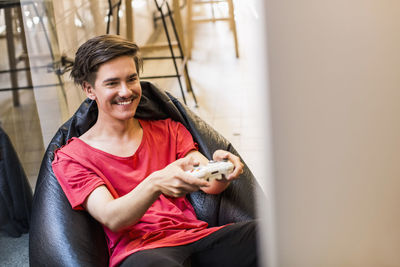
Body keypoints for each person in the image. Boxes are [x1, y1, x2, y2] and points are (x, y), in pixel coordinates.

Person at [52, 34, 258, 267]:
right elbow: (112, 216)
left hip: (196, 238)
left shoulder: (169, 130)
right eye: (112, 83)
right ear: (89, 89)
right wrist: (156, 183)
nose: (126, 91)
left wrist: (221, 169)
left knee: (276, 234)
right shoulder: (72, 157)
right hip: (143, 252)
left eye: (132, 79)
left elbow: (208, 183)